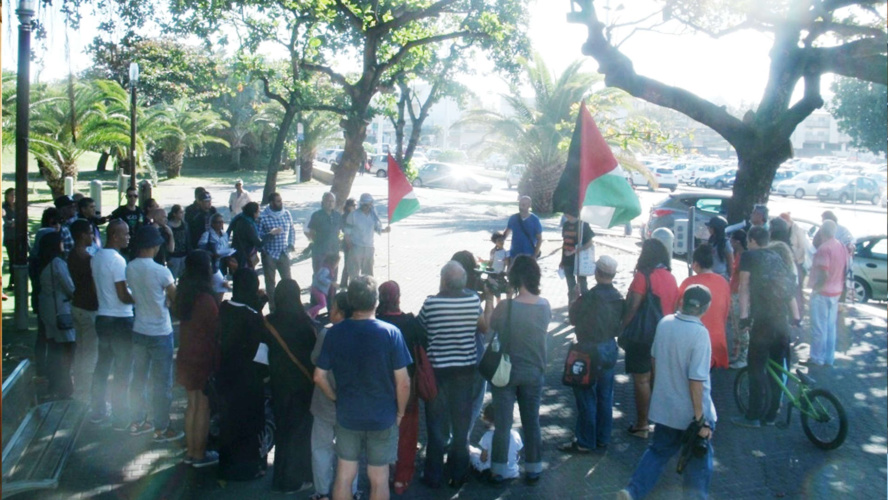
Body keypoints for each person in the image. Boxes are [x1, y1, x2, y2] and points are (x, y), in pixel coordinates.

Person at [314, 275, 412, 500]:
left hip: (348, 414)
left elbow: (319, 376)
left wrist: (336, 399)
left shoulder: (334, 333)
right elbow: (404, 382)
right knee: (378, 478)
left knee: (344, 475)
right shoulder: (391, 333)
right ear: (375, 302)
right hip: (382, 416)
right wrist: (400, 412)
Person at [618, 285, 717, 500]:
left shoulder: (665, 323)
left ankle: (633, 491)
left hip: (665, 408)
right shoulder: (700, 334)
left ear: (682, 302)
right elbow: (696, 381)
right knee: (698, 461)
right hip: (691, 413)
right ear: (706, 308)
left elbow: (654, 360)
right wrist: (701, 419)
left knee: (657, 452)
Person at [418, 261, 490, 489]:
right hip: (464, 374)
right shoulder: (473, 301)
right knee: (461, 426)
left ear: (443, 281)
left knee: (436, 427)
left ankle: (432, 474)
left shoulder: (431, 303)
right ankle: (458, 472)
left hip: (438, 373)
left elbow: (422, 329)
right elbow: (483, 328)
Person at [488, 255, 551, 484]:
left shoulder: (506, 306)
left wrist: (497, 297)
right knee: (531, 421)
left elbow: (492, 326)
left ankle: (498, 469)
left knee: (503, 423)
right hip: (534, 371)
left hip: (506, 372)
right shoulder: (545, 306)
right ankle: (533, 467)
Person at [732, 226, 800, 428]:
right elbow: (788, 292)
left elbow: (743, 287)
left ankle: (753, 416)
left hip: (763, 321)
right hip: (782, 321)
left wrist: (744, 318)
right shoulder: (778, 257)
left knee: (756, 368)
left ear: (751, 240)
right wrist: (795, 318)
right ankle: (771, 415)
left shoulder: (749, 257)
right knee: (777, 368)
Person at [561, 255, 623, 454]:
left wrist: (573, 298)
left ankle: (585, 441)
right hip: (609, 347)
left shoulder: (589, 297)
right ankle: (603, 437)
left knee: (586, 395)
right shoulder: (619, 297)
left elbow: (573, 319)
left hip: (588, 349)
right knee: (605, 395)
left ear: (597, 273)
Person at [126, 226, 182, 442]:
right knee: (162, 382)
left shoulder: (130, 267)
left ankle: (138, 420)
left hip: (139, 328)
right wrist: (167, 301)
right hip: (160, 330)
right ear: (153, 246)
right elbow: (174, 297)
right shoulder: (161, 271)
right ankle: (162, 426)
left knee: (139, 378)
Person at [217, 268, 270, 480]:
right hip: (248, 380)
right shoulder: (252, 318)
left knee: (229, 422)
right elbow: (260, 351)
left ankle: (228, 465)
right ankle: (250, 467)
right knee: (250, 424)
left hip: (227, 374)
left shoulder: (224, 308)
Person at [623, 238, 679, 439]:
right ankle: (661, 421)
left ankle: (642, 424)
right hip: (665, 334)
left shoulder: (643, 276)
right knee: (657, 379)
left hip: (642, 336)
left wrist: (621, 327)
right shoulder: (671, 277)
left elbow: (632, 307)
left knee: (642, 380)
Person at [375, 280, 427, 495]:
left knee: (381, 435)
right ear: (398, 298)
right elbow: (425, 343)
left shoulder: (375, 322)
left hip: (380, 389)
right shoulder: (410, 322)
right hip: (408, 388)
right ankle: (401, 479)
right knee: (406, 436)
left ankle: (383, 473)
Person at [266, 279, 316, 493]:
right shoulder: (306, 323)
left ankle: (281, 478)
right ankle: (296, 478)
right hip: (303, 387)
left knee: (283, 433)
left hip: (279, 386)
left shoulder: (269, 322)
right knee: (300, 434)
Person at [174, 250, 220, 468]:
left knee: (191, 405)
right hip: (201, 358)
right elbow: (215, 327)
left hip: (185, 355)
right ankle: (200, 454)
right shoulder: (205, 298)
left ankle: (191, 451)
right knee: (202, 407)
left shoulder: (184, 293)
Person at [88, 220, 135, 428]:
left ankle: (97, 410)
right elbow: (123, 295)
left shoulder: (97, 257)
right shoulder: (118, 261)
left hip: (102, 317)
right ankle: (120, 415)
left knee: (102, 366)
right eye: (125, 234)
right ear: (114, 236)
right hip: (120, 319)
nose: (128, 237)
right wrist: (139, 297)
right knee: (123, 369)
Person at [309, 291, 355, 500]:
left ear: (340, 312)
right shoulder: (363, 334)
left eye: (334, 307)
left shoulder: (327, 334)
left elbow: (315, 360)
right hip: (351, 404)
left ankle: (323, 492)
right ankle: (351, 492)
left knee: (321, 448)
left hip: (325, 402)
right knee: (350, 452)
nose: (331, 311)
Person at [677, 244, 731, 369]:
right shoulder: (723, 282)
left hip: (694, 340)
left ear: (695, 263)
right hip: (717, 339)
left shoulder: (689, 283)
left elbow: (679, 310)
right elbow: (726, 311)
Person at [37, 231, 77, 399]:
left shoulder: (40, 262)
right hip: (60, 310)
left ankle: (54, 384)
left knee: (53, 347)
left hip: (46, 309)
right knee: (67, 348)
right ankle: (65, 386)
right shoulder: (57, 263)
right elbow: (69, 287)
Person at [805, 220, 846, 367]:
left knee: (818, 327)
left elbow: (823, 272)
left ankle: (817, 358)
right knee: (830, 327)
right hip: (836, 291)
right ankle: (829, 357)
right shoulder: (840, 246)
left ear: (822, 232)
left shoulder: (824, 249)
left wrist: (816, 289)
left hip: (822, 292)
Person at [68, 220, 99, 394]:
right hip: (88, 309)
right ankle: (87, 393)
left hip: (77, 306)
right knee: (90, 356)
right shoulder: (87, 259)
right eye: (89, 233)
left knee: (81, 352)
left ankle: (79, 390)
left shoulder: (73, 254)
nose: (92, 236)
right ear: (82, 235)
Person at [343, 193, 389, 284]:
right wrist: (350, 246)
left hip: (369, 247)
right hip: (356, 247)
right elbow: (347, 234)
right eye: (365, 205)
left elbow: (377, 228)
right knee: (354, 275)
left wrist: (385, 230)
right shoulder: (353, 215)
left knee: (368, 275)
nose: (367, 207)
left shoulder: (373, 214)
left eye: (369, 205)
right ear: (361, 204)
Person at [258, 192, 294, 309]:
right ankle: (273, 308)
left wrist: (291, 244)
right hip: (270, 254)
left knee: (288, 281)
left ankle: (288, 306)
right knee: (270, 284)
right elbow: (258, 236)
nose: (280, 203)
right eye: (278, 201)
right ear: (271, 203)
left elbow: (292, 230)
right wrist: (270, 234)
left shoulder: (286, 213)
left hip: (283, 252)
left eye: (281, 200)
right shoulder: (263, 216)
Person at [470, 404, 523, 480]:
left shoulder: (488, 435)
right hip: (512, 471)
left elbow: (483, 458)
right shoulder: (515, 434)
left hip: (491, 470)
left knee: (473, 454)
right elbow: (517, 455)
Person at [199, 213, 235, 299]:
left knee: (220, 288)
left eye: (221, 222)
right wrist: (212, 254)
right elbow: (201, 251)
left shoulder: (224, 234)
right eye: (217, 222)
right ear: (212, 223)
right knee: (219, 286)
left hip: (222, 263)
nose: (220, 224)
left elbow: (226, 246)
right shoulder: (207, 235)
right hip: (212, 265)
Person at [560, 212, 594, 303]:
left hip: (580, 261)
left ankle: (585, 307)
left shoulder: (583, 224)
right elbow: (564, 243)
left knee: (583, 286)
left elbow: (589, 243)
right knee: (571, 287)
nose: (565, 213)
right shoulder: (566, 224)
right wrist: (562, 260)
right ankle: (572, 307)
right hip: (567, 260)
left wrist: (576, 251)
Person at [307, 192, 343, 275]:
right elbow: (311, 233)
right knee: (319, 274)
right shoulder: (316, 215)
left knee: (333, 274)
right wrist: (318, 243)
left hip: (334, 250)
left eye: (332, 201)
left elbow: (340, 231)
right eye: (328, 201)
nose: (330, 203)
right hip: (320, 250)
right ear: (322, 202)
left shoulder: (337, 215)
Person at [728, 230, 749, 369]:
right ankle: (737, 354)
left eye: (732, 239)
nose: (730, 241)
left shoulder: (744, 258)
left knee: (741, 328)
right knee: (735, 326)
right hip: (734, 293)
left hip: (738, 294)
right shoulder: (738, 255)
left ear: (737, 242)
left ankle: (743, 357)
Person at [503, 195, 542, 264]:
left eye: (524, 204)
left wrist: (534, 255)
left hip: (529, 254)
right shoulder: (513, 218)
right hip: (514, 254)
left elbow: (539, 239)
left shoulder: (534, 220)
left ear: (529, 205)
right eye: (520, 204)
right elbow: (505, 234)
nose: (522, 206)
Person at [230, 202, 264, 271]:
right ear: (253, 213)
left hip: (239, 253)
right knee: (246, 277)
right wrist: (271, 234)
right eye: (258, 212)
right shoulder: (247, 224)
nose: (258, 214)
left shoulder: (241, 219)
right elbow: (258, 243)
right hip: (243, 256)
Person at [110, 187, 143, 255]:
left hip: (137, 244)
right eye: (130, 196)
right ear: (126, 197)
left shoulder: (140, 211)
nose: (132, 198)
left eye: (135, 196)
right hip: (123, 244)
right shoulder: (119, 211)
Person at [308, 253, 339, 319]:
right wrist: (331, 282)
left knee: (319, 304)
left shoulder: (326, 268)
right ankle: (308, 313)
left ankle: (312, 317)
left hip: (319, 289)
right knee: (323, 304)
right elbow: (320, 278)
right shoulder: (326, 270)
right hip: (318, 289)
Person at [167, 205, 190, 279]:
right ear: (174, 214)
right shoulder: (168, 226)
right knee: (172, 277)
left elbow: (188, 240)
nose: (183, 214)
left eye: (183, 212)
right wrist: (167, 258)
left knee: (183, 278)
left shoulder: (185, 225)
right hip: (173, 256)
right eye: (180, 212)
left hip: (184, 255)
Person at [706, 216, 733, 280]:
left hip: (721, 276)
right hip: (710, 274)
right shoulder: (711, 241)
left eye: (711, 227)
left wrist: (731, 278)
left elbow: (730, 262)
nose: (708, 229)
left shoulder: (725, 243)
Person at [339, 198, 357, 287]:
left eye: (355, 205)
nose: (355, 207)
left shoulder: (355, 216)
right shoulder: (345, 216)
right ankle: (344, 283)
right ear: (348, 206)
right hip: (347, 244)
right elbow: (343, 229)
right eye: (353, 205)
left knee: (353, 264)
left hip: (355, 242)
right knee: (347, 264)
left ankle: (349, 282)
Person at [2, 188, 14, 290]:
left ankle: (14, 281)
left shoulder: (20, 207)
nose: (13, 197)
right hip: (10, 238)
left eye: (15, 195)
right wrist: (12, 223)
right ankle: (12, 282)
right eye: (11, 195)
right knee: (12, 259)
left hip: (21, 236)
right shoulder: (4, 208)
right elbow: (5, 222)